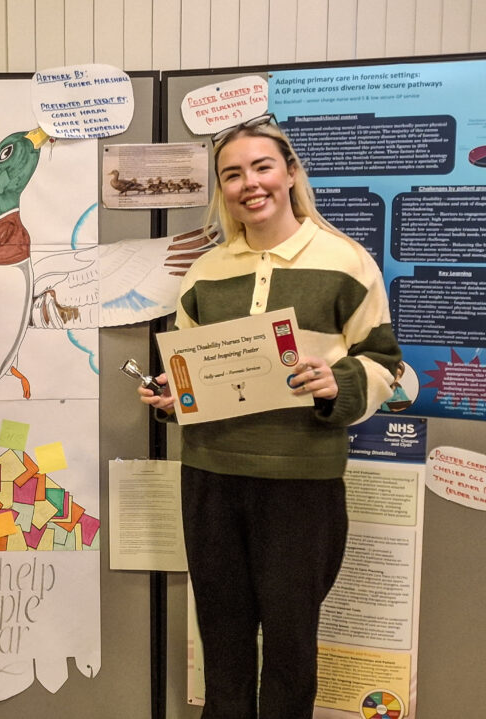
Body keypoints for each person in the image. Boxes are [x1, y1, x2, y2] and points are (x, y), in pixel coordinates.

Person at [138, 114, 401, 719]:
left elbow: (387, 363)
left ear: (289, 173)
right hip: (211, 477)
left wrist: (341, 381)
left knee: (289, 653)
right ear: (222, 188)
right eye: (232, 174)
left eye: (261, 167)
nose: (248, 183)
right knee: (223, 648)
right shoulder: (205, 272)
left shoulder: (345, 261)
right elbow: (193, 378)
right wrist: (173, 399)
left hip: (299, 482)